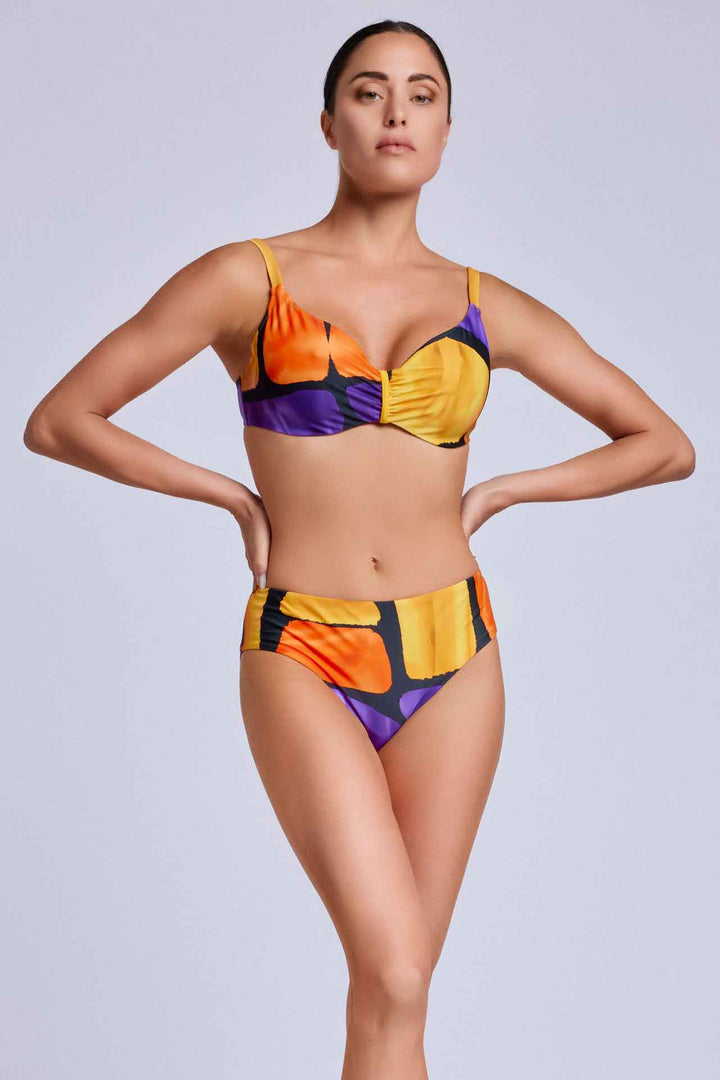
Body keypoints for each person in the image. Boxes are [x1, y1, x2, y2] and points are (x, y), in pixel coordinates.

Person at [23, 18, 695, 1080]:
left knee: (399, 994)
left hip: (457, 652)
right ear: (330, 122)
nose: (396, 113)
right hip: (305, 648)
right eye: (370, 91)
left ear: (447, 130)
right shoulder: (248, 278)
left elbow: (664, 445)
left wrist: (505, 490)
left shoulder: (485, 304)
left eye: (422, 95)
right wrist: (229, 497)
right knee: (393, 970)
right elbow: (61, 420)